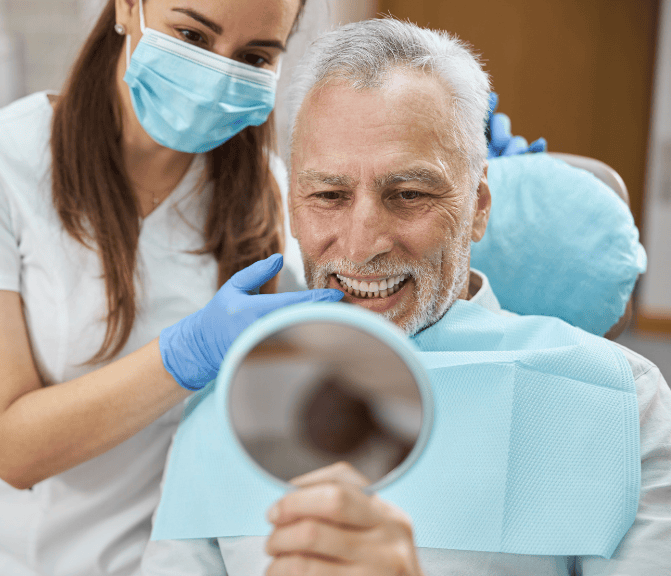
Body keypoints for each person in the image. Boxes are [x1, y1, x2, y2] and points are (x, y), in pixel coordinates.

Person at [142, 18, 671, 576]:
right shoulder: (226, 406)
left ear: (478, 208)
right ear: (293, 206)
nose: (363, 244)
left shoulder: (620, 404)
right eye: (328, 194)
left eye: (409, 194)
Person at [0, 0, 361, 574]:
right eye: (191, 33)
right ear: (126, 7)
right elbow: (11, 449)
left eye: (255, 56)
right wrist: (184, 356)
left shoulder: (264, 191)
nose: (217, 73)